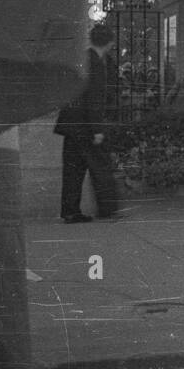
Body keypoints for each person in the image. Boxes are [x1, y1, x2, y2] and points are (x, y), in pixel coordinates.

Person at [54, 24, 122, 223]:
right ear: (110, 42)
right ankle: (107, 208)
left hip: (72, 124)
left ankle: (70, 210)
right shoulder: (97, 64)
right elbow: (94, 98)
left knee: (73, 170)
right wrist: (98, 129)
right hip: (86, 126)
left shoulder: (84, 59)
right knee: (101, 166)